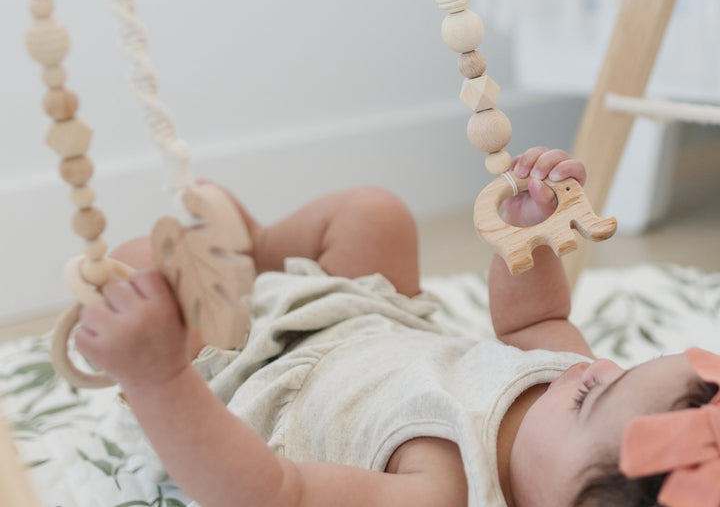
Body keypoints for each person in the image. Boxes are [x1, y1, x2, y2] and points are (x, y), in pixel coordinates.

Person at [74, 148, 719, 507]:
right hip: (369, 322)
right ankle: (261, 248)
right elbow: (538, 317)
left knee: (136, 271)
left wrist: (158, 377)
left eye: (591, 396)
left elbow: (280, 494)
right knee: (374, 215)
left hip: (260, 371)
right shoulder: (565, 379)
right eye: (626, 368)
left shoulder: (443, 493)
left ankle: (178, 341)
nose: (594, 366)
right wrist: (530, 236)